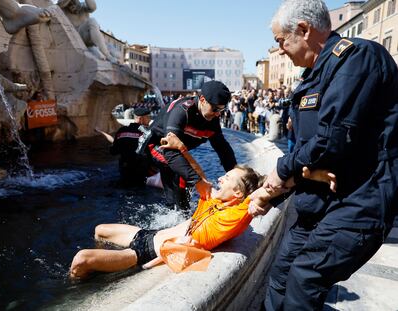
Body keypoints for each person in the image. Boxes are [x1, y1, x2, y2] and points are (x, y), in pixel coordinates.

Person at [249, 1, 398, 310]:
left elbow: (333, 137)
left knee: (304, 281)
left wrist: (280, 172)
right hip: (316, 203)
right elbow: (311, 155)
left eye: (280, 42)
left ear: (303, 30)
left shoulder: (357, 57)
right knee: (280, 275)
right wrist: (272, 194)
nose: (280, 51)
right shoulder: (313, 77)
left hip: (356, 204)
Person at [69, 131, 337, 278]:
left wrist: (312, 175)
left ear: (239, 194)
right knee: (100, 229)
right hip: (147, 236)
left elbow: (273, 184)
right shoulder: (212, 198)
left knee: (81, 260)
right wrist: (180, 147)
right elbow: (198, 174)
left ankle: (83, 283)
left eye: (228, 178)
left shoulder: (236, 213)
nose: (220, 178)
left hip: (150, 253)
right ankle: (102, 271)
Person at [140, 80, 237, 211]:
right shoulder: (181, 111)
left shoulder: (212, 118)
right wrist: (198, 181)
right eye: (215, 109)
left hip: (176, 150)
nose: (218, 114)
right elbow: (170, 154)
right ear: (202, 99)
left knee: (184, 182)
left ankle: (178, 209)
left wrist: (237, 177)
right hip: (156, 146)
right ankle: (180, 216)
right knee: (183, 178)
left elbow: (223, 149)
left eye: (222, 109)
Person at [97, 107, 152, 187]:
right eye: (148, 117)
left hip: (124, 170)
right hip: (141, 173)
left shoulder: (121, 131)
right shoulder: (147, 133)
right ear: (141, 119)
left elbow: (113, 151)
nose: (150, 120)